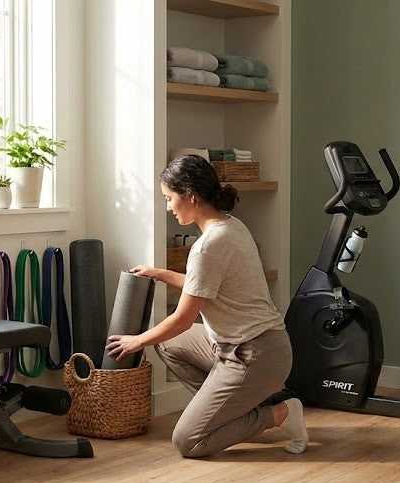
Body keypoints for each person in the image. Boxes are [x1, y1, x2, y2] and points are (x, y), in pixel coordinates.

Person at [105, 155, 308, 457]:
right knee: (169, 344)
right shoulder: (231, 226)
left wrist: (137, 341)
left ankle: (279, 414)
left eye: (169, 198)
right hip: (243, 345)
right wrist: (159, 273)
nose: (168, 207)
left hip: (256, 356)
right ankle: (227, 416)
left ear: (190, 195)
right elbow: (204, 285)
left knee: (188, 441)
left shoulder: (208, 246)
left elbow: (183, 319)